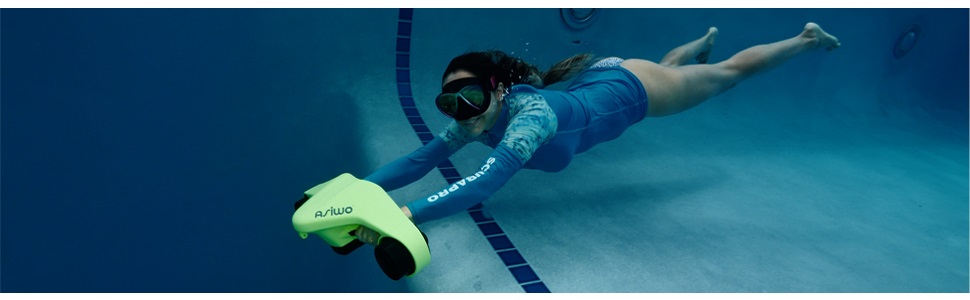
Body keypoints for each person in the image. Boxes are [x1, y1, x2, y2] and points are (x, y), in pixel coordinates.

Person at [354, 22, 841, 244]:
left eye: (471, 99)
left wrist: (408, 212)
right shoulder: (474, 116)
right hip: (601, 79)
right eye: (449, 103)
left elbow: (484, 181)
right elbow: (422, 159)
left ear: (498, 90)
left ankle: (805, 39)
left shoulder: (530, 119)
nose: (462, 114)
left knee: (730, 74)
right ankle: (703, 39)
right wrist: (361, 186)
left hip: (636, 90)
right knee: (669, 66)